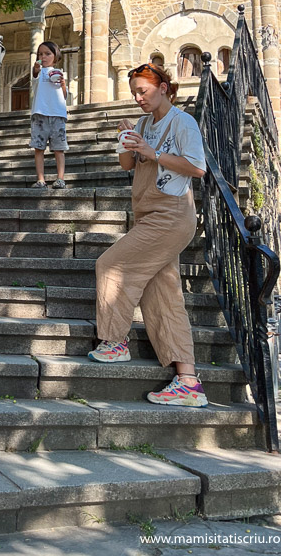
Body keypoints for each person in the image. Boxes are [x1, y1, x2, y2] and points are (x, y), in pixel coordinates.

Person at [88, 61, 209, 407]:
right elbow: (128, 166)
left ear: (164, 88)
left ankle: (114, 341)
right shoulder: (142, 123)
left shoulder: (182, 122)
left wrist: (155, 153)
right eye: (134, 93)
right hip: (147, 215)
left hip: (171, 216)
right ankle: (187, 381)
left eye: (143, 90)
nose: (138, 98)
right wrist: (126, 141)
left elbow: (198, 167)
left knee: (110, 265)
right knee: (163, 295)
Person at [30, 40, 69, 189]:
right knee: (39, 148)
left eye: (47, 53)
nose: (44, 57)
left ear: (55, 56)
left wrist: (63, 84)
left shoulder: (60, 73)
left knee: (59, 149)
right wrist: (35, 69)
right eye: (40, 54)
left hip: (57, 115)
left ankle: (60, 178)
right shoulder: (38, 73)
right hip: (39, 114)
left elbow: (64, 96)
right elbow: (34, 77)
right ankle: (41, 179)